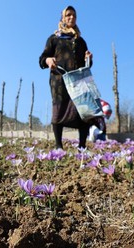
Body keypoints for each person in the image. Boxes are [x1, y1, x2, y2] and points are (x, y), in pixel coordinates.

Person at [39, 5, 93, 149]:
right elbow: (42, 58)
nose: (71, 18)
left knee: (82, 111)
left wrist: (89, 58)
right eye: (68, 15)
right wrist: (48, 60)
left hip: (78, 81)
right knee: (59, 110)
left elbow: (86, 65)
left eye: (74, 16)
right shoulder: (54, 38)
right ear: (62, 18)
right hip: (59, 80)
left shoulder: (80, 41)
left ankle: (82, 146)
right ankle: (58, 146)